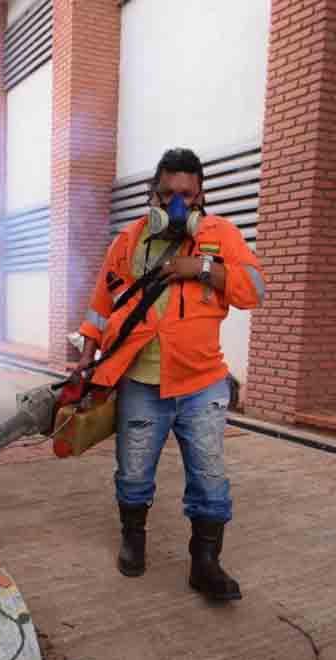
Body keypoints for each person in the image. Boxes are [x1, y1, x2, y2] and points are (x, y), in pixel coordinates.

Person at [72, 148, 265, 602]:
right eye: (167, 194)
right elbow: (101, 305)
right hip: (141, 381)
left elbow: (254, 290)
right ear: (152, 194)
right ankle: (132, 539)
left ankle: (206, 564)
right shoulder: (129, 241)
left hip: (202, 383)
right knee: (134, 470)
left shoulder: (221, 236)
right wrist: (86, 354)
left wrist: (201, 268)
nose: (178, 205)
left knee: (210, 477)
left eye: (187, 196)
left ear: (201, 196)